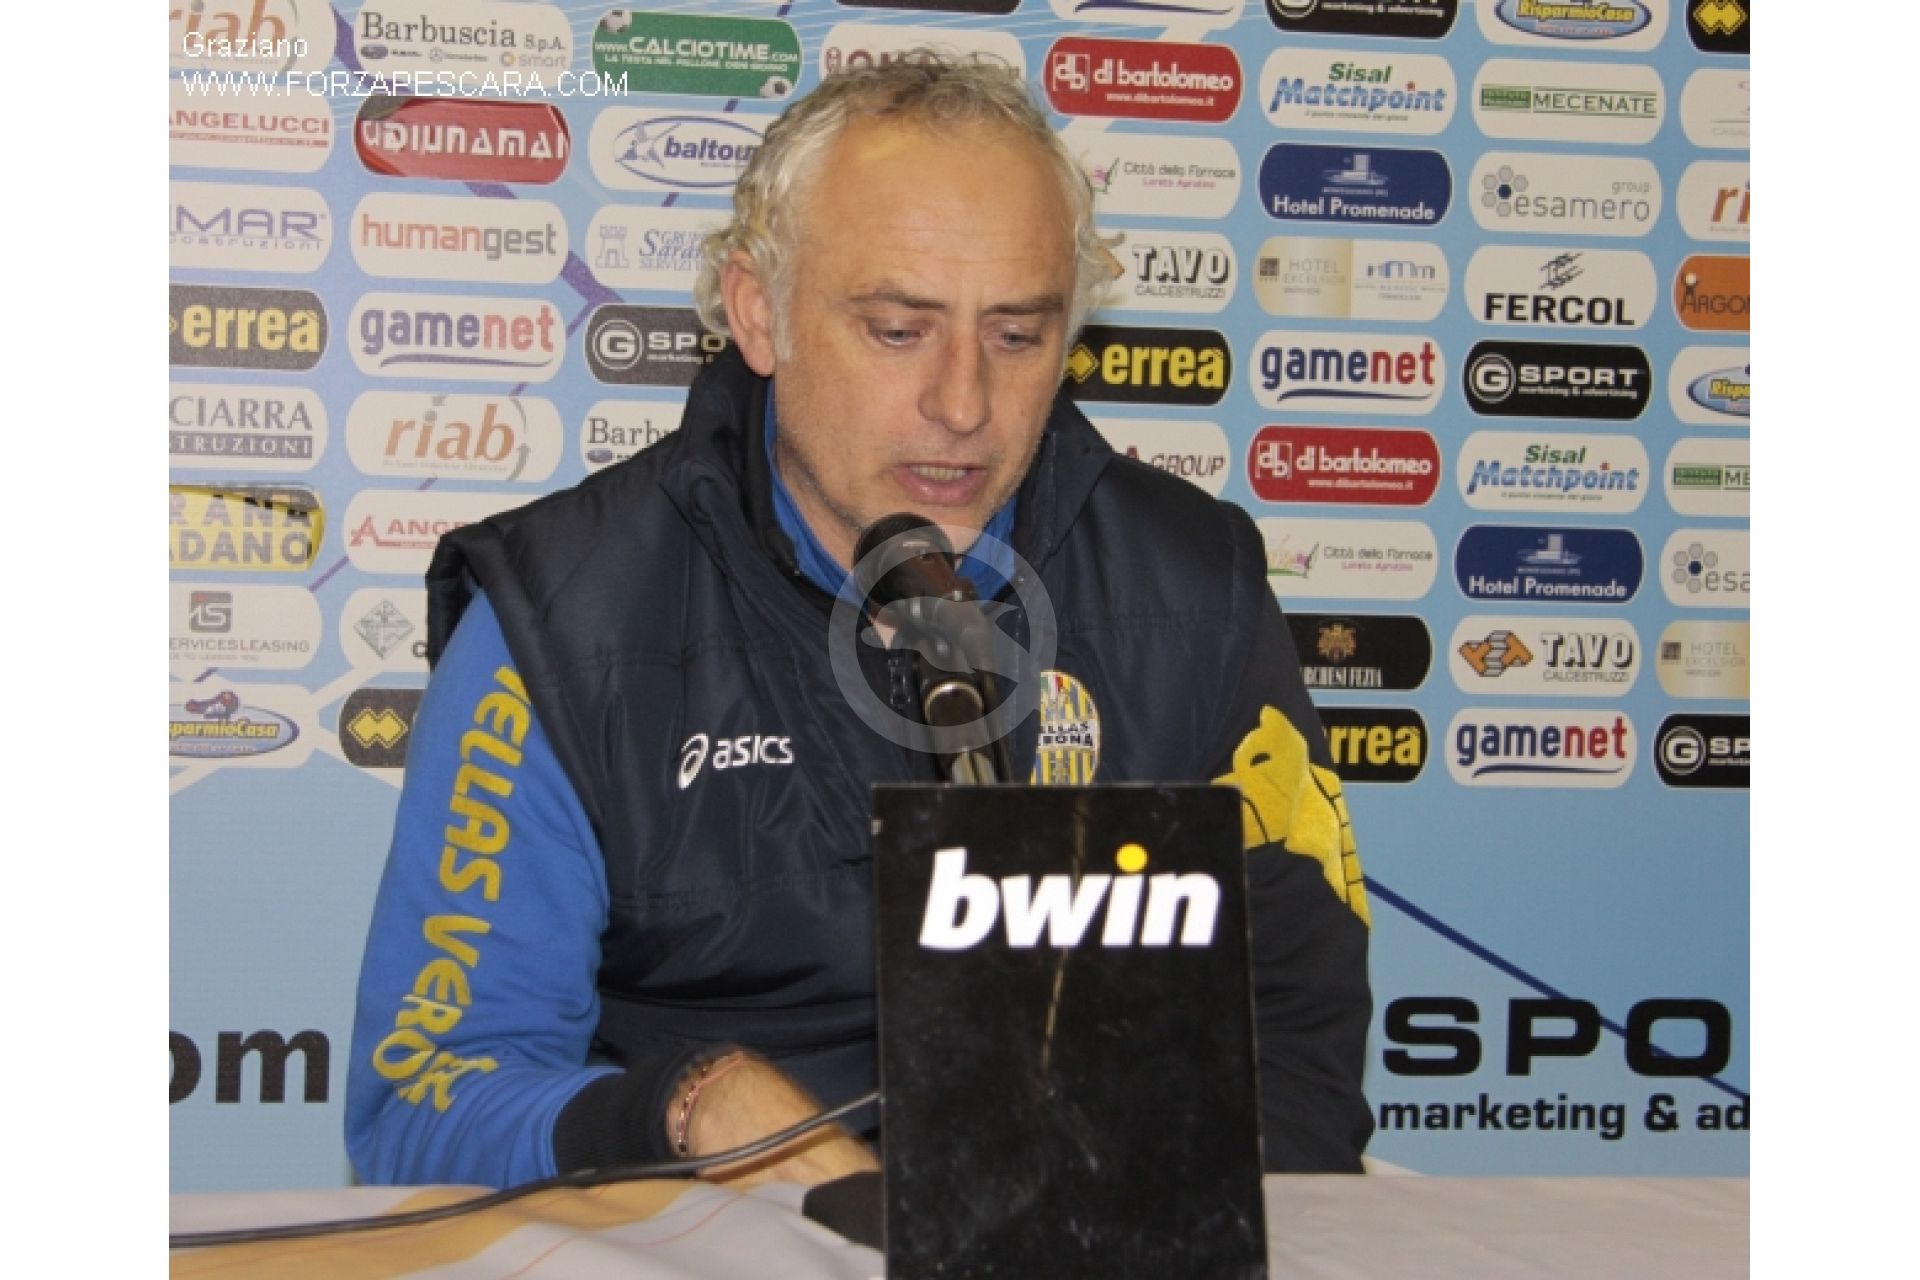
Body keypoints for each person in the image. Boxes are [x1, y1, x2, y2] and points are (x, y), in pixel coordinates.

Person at [345, 54, 1374, 1191]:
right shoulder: (562, 619)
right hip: (699, 1236)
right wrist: (690, 1107)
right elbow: (430, 1094)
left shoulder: (1194, 585)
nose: (963, 403)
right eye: (896, 329)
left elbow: (1291, 1034)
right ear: (759, 312)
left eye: (1018, 336)